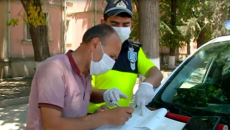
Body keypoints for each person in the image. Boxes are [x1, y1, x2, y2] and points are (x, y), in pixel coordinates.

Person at [26, 24, 134, 130]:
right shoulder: (55, 69)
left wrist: (103, 101)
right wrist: (104, 118)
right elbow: (52, 126)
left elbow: (81, 98)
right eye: (111, 56)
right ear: (95, 44)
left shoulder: (86, 74)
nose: (112, 63)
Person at [88, 0, 163, 116]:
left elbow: (156, 73)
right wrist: (105, 94)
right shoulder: (93, 50)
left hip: (121, 120)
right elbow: (85, 90)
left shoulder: (134, 52)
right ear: (103, 24)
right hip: (92, 117)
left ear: (131, 25)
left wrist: (147, 84)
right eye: (114, 24)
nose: (120, 28)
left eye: (125, 24)